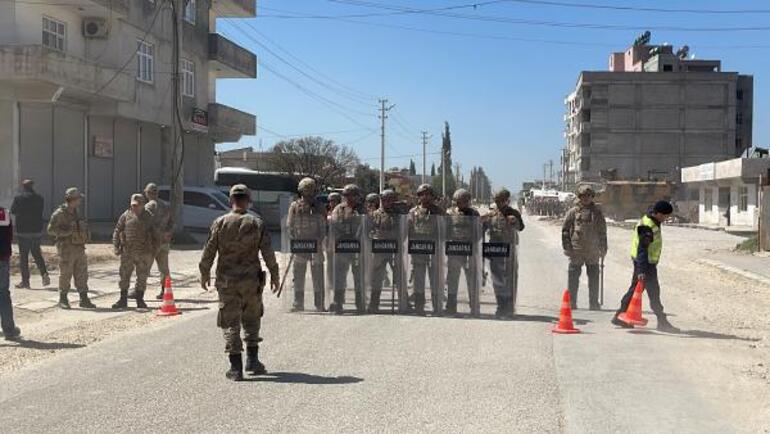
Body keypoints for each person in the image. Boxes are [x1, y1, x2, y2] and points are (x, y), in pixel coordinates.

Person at [199, 184, 280, 381]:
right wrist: (275, 274)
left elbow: (209, 250)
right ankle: (252, 361)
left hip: (227, 281)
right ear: (248, 200)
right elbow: (268, 252)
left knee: (230, 321)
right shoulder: (256, 222)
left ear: (230, 200)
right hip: (251, 281)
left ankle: (236, 367)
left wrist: (204, 273)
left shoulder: (220, 222)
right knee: (252, 318)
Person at [612, 200, 680, 333]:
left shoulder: (653, 220)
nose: (666, 219)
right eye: (665, 216)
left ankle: (619, 316)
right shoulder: (648, 227)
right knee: (652, 292)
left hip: (646, 264)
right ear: (658, 213)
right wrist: (641, 271)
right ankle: (662, 321)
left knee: (639, 290)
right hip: (645, 264)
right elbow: (642, 250)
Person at [47, 188, 96, 309]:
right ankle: (63, 299)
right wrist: (67, 232)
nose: (80, 201)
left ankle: (83, 298)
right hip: (66, 249)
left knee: (82, 273)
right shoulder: (59, 213)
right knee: (65, 274)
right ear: (72, 199)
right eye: (78, 198)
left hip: (79, 247)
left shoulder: (77, 211)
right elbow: (50, 230)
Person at [561, 185, 607, 310]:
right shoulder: (573, 212)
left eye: (588, 196)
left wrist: (603, 248)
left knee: (593, 277)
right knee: (573, 276)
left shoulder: (597, 212)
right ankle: (572, 302)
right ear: (579, 197)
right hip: (577, 250)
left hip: (592, 250)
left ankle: (593, 303)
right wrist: (567, 246)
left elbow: (602, 231)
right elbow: (565, 230)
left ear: (592, 197)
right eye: (583, 196)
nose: (586, 199)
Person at [112, 194, 159, 310]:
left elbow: (156, 235)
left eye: (137, 205)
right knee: (124, 275)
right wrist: (116, 246)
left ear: (143, 205)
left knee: (142, 276)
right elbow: (118, 230)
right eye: (133, 205)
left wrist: (154, 250)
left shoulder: (149, 217)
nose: (135, 208)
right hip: (128, 251)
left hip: (144, 252)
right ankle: (123, 299)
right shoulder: (126, 215)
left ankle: (140, 299)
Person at [286, 178, 326, 312]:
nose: (308, 193)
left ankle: (319, 304)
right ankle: (298, 303)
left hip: (315, 245)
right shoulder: (294, 206)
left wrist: (319, 241)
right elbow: (289, 225)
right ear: (301, 190)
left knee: (318, 277)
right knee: (298, 276)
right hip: (300, 245)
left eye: (310, 190)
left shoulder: (319, 206)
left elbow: (324, 226)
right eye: (306, 190)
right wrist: (294, 240)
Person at [483, 188, 524, 319]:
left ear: (507, 200)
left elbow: (521, 227)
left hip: (510, 250)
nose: (500, 203)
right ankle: (501, 305)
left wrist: (514, 221)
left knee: (511, 279)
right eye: (497, 201)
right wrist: (480, 221)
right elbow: (481, 229)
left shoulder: (513, 213)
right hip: (495, 250)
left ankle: (510, 306)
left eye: (502, 201)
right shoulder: (491, 214)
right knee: (497, 280)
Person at [407, 183, 445, 315]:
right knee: (418, 279)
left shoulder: (439, 211)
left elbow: (444, 230)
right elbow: (408, 230)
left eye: (428, 194)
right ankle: (419, 306)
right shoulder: (413, 212)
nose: (425, 197)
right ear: (419, 196)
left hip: (434, 249)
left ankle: (437, 306)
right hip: (418, 249)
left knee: (435, 278)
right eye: (422, 194)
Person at [329, 184, 364, 314]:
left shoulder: (362, 209)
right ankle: (338, 301)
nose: (350, 198)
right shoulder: (339, 209)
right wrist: (343, 237)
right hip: (343, 246)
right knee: (340, 276)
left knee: (359, 276)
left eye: (352, 195)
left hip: (358, 247)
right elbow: (334, 224)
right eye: (347, 195)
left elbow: (368, 225)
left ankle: (360, 303)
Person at [445, 189, 480, 316]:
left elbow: (478, 233)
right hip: (454, 250)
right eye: (460, 201)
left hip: (469, 250)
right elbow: (445, 230)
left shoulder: (474, 214)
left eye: (465, 201)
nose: (463, 203)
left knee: (471, 278)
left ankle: (474, 306)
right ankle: (451, 305)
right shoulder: (449, 213)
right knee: (453, 278)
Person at [11, 179, 50, 289]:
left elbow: (13, 211)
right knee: (37, 253)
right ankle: (44, 274)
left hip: (23, 231)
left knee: (24, 257)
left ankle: (25, 282)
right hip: (36, 230)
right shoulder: (39, 198)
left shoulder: (19, 198)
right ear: (33, 186)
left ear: (23, 186)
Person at [368, 189, 401, 313]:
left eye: (390, 200)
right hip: (379, 249)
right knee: (377, 277)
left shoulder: (398, 215)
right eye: (385, 200)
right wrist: (375, 239)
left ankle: (404, 303)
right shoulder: (374, 214)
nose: (387, 202)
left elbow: (403, 231)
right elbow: (369, 231)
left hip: (395, 249)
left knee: (399, 276)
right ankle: (374, 303)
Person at [144, 183, 173, 300]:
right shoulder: (166, 206)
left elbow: (145, 224)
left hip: (152, 243)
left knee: (144, 268)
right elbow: (171, 222)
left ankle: (139, 290)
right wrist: (168, 233)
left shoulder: (149, 206)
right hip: (164, 242)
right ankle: (165, 291)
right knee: (164, 268)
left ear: (148, 193)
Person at [1, 206, 21, 341]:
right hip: (1, 259)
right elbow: (10, 236)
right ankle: (9, 330)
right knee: (3, 294)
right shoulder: (4, 213)